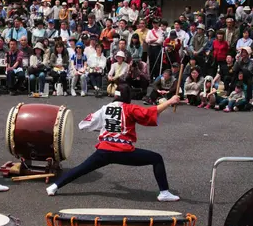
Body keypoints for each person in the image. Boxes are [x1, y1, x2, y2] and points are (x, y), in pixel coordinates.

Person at [46, 83, 180, 202]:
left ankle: (54, 187)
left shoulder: (105, 108)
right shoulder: (129, 108)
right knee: (156, 158)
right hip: (123, 152)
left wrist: (104, 128)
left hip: (104, 151)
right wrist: (169, 102)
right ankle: (164, 192)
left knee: (80, 169)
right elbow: (150, 112)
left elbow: (84, 124)